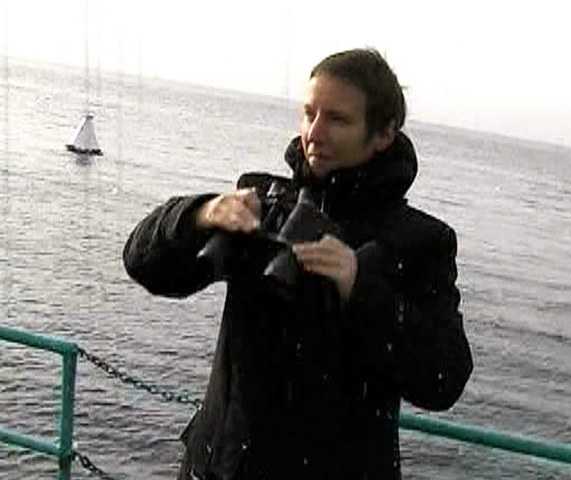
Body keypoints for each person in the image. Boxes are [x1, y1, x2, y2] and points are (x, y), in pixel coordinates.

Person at [123, 48, 473, 480]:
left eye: (337, 119)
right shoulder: (264, 204)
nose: (314, 133)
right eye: (309, 114)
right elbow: (144, 266)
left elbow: (444, 380)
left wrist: (360, 288)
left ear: (383, 133)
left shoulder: (420, 242)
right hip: (222, 469)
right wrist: (200, 215)